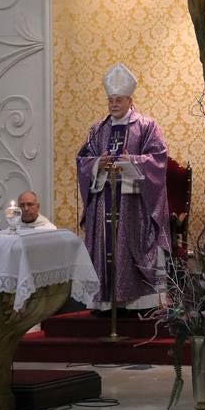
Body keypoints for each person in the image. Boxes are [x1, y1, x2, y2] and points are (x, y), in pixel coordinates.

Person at [76, 63, 171, 311]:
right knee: (106, 247)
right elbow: (82, 160)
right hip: (103, 200)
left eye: (119, 100)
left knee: (131, 247)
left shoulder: (146, 126)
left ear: (130, 100)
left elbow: (159, 158)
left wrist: (134, 161)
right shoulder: (98, 129)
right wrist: (98, 163)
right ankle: (106, 304)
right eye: (110, 100)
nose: (114, 104)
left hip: (133, 203)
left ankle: (139, 303)